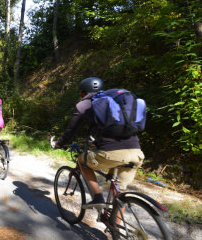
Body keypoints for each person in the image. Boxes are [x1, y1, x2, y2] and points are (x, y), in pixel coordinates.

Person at [52, 77, 145, 209]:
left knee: (82, 160)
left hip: (112, 153)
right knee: (119, 194)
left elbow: (71, 130)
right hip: (136, 153)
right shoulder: (114, 102)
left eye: (81, 93)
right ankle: (116, 228)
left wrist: (59, 144)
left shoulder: (84, 105)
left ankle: (97, 197)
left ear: (83, 93)